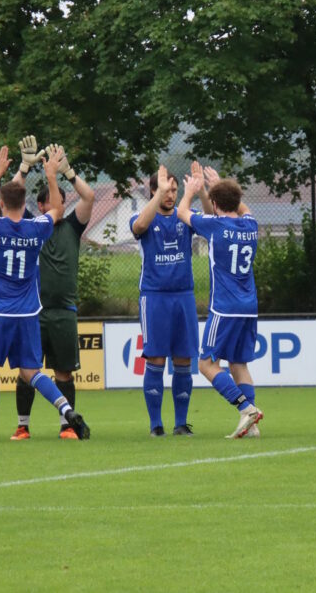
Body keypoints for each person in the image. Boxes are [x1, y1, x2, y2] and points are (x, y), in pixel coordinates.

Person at [0, 144, 91, 443]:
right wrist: (51, 175)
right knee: (32, 372)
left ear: (2, 203)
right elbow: (58, 210)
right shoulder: (36, 229)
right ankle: (66, 410)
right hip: (27, 313)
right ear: (25, 205)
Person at [11, 137, 96, 440]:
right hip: (33, 311)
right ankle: (23, 426)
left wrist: (67, 173)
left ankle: (67, 426)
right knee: (27, 371)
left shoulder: (72, 226)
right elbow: (10, 197)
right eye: (53, 199)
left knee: (63, 372)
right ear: (42, 206)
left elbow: (89, 196)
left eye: (62, 199)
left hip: (63, 311)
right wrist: (24, 168)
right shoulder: (31, 225)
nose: (60, 204)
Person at [176, 168, 263, 439]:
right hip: (249, 307)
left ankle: (246, 409)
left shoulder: (215, 226)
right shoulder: (251, 225)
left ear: (214, 204)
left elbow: (182, 213)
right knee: (238, 364)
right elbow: (242, 209)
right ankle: (252, 427)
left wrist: (191, 191)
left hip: (224, 307)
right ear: (237, 201)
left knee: (206, 364)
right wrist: (218, 186)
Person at [129, 162, 213, 437]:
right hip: (154, 297)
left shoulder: (185, 216)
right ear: (154, 191)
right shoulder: (143, 216)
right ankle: (156, 425)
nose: (171, 194)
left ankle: (181, 423)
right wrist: (157, 195)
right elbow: (139, 226)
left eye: (175, 190)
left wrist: (200, 191)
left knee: (183, 360)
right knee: (155, 359)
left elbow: (211, 221)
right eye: (166, 189)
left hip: (183, 297)